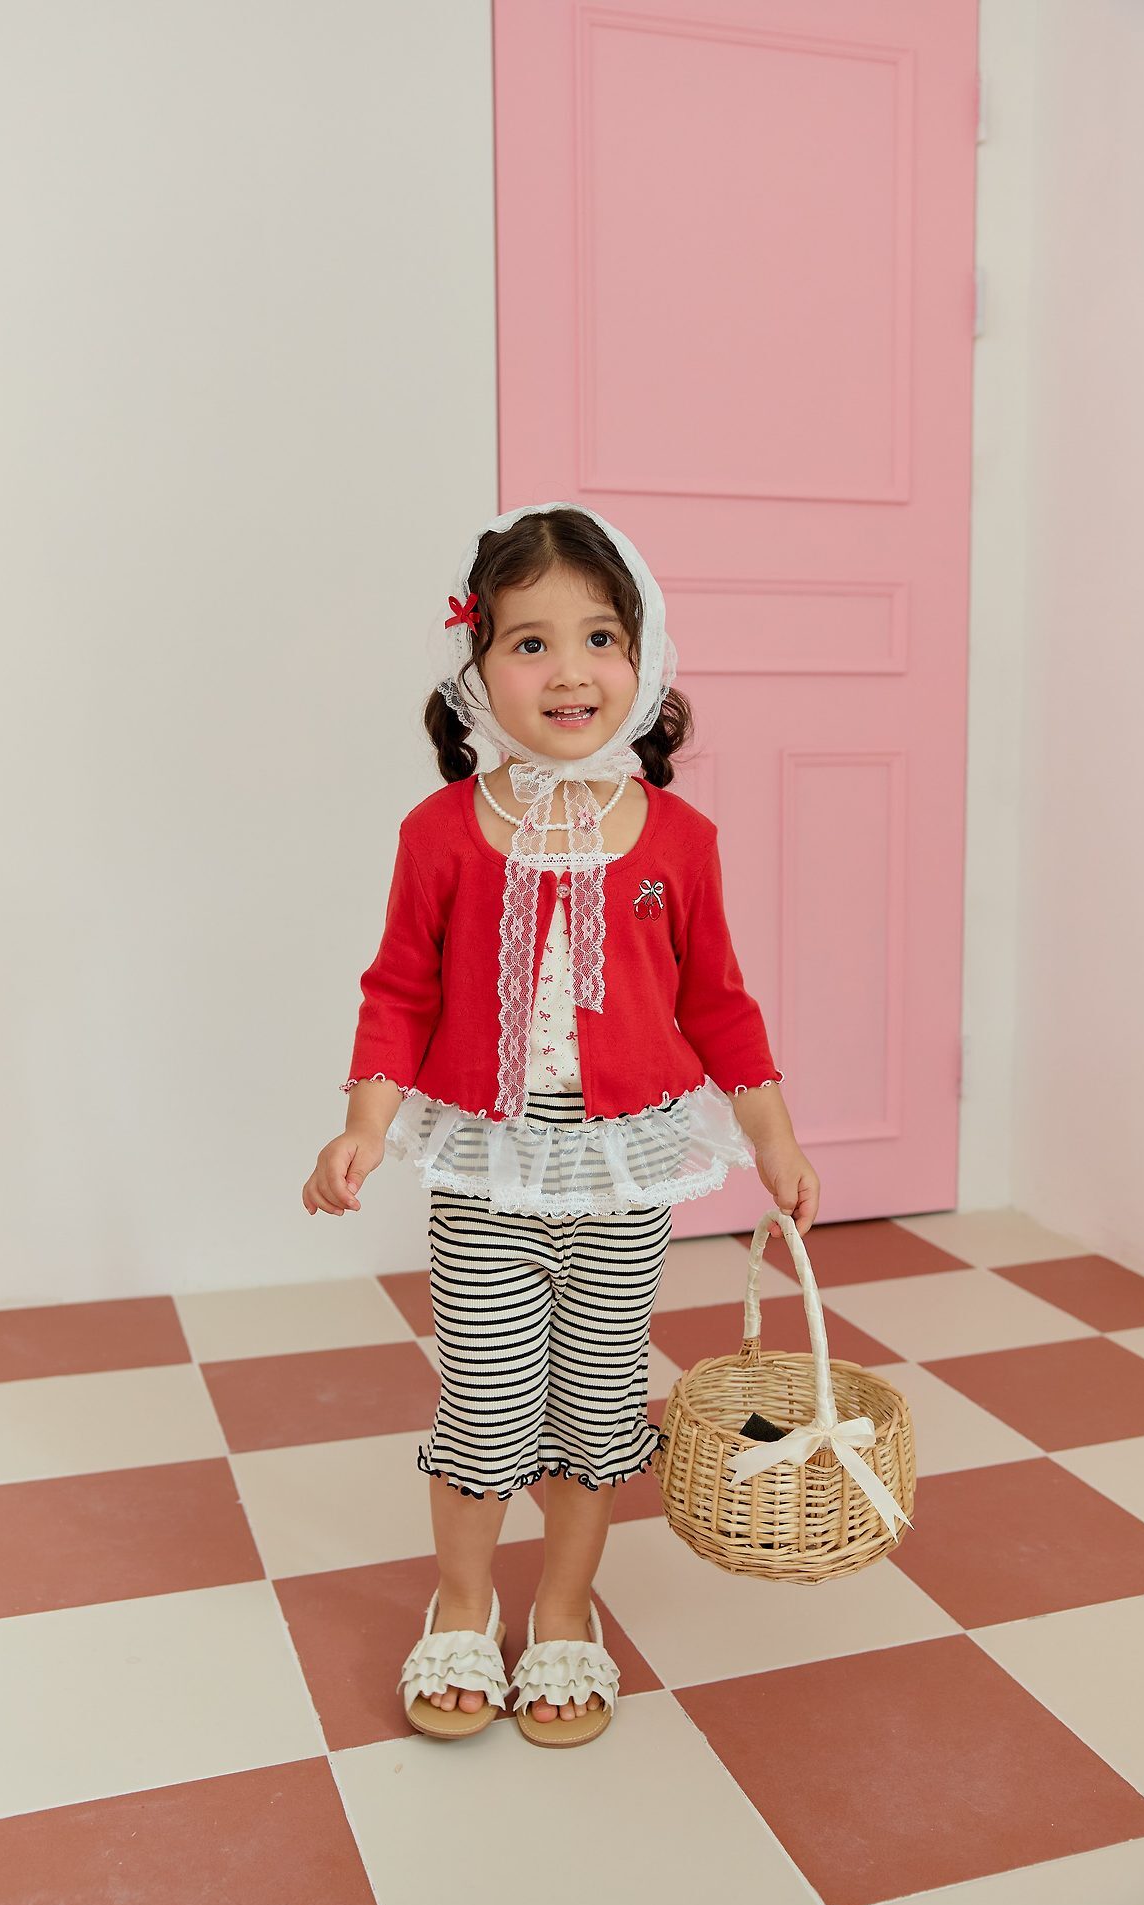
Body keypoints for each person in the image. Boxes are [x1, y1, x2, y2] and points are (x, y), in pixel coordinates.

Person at [303, 502, 819, 1746]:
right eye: (529, 643)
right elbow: (399, 991)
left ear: (644, 659)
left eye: (599, 638)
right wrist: (364, 1122)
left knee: (597, 1406)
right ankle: (464, 1601)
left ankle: (567, 1606)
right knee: (484, 1406)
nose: (569, 670)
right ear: (475, 664)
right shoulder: (439, 833)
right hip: (485, 1168)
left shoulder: (678, 840)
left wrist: (773, 1136)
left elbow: (717, 1002)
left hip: (622, 1173)